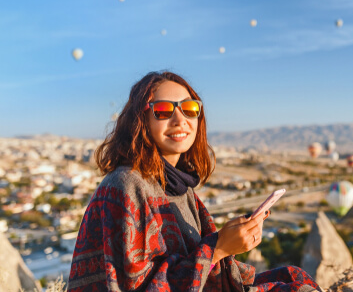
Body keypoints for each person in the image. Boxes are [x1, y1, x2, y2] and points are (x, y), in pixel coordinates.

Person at [68, 71, 321, 292]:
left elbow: (197, 264)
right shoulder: (126, 186)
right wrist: (219, 248)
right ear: (140, 120)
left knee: (293, 280)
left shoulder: (180, 187)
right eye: (163, 110)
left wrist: (233, 239)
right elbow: (139, 285)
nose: (180, 120)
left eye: (190, 109)